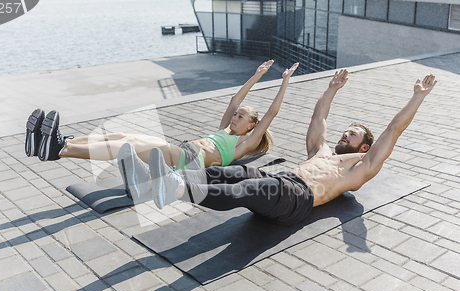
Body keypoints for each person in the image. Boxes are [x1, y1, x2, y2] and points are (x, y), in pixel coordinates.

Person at [142, 70, 436, 224]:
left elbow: (393, 130)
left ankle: (175, 190)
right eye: (347, 131)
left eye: (354, 134)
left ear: (365, 146)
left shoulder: (361, 168)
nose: (346, 134)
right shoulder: (321, 151)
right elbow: (319, 116)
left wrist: (417, 98)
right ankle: (164, 179)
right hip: (283, 182)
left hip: (297, 200)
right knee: (231, 173)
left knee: (250, 189)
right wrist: (331, 89)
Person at [25, 60, 299, 173]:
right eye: (236, 115)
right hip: (180, 151)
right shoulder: (223, 130)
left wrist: (284, 80)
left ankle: (58, 150)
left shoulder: (245, 144)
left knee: (126, 147)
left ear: (252, 126)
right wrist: (257, 75)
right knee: (122, 135)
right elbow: (234, 99)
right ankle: (50, 143)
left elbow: (272, 112)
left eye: (241, 117)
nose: (235, 117)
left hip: (189, 162)